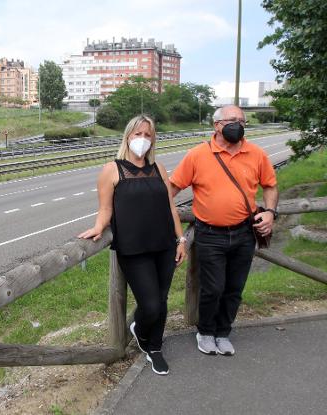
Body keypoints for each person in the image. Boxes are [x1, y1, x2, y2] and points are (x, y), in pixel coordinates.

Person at [79, 115, 186, 375]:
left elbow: (171, 207)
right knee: (150, 304)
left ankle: (155, 347)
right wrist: (98, 227)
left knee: (161, 300)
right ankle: (138, 326)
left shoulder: (159, 168)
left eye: (148, 135)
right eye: (138, 134)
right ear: (128, 137)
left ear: (153, 139)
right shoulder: (112, 170)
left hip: (165, 245)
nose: (143, 140)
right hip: (134, 249)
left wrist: (181, 239)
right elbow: (105, 209)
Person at [169, 105, 279, 356]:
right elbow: (172, 189)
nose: (238, 124)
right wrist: (171, 224)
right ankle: (205, 332)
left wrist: (270, 212)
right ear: (216, 125)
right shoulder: (197, 155)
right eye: (232, 120)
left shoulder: (256, 153)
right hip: (210, 234)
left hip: (244, 233)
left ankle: (223, 332)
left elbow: (270, 186)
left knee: (234, 288)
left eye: (242, 120)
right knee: (213, 287)